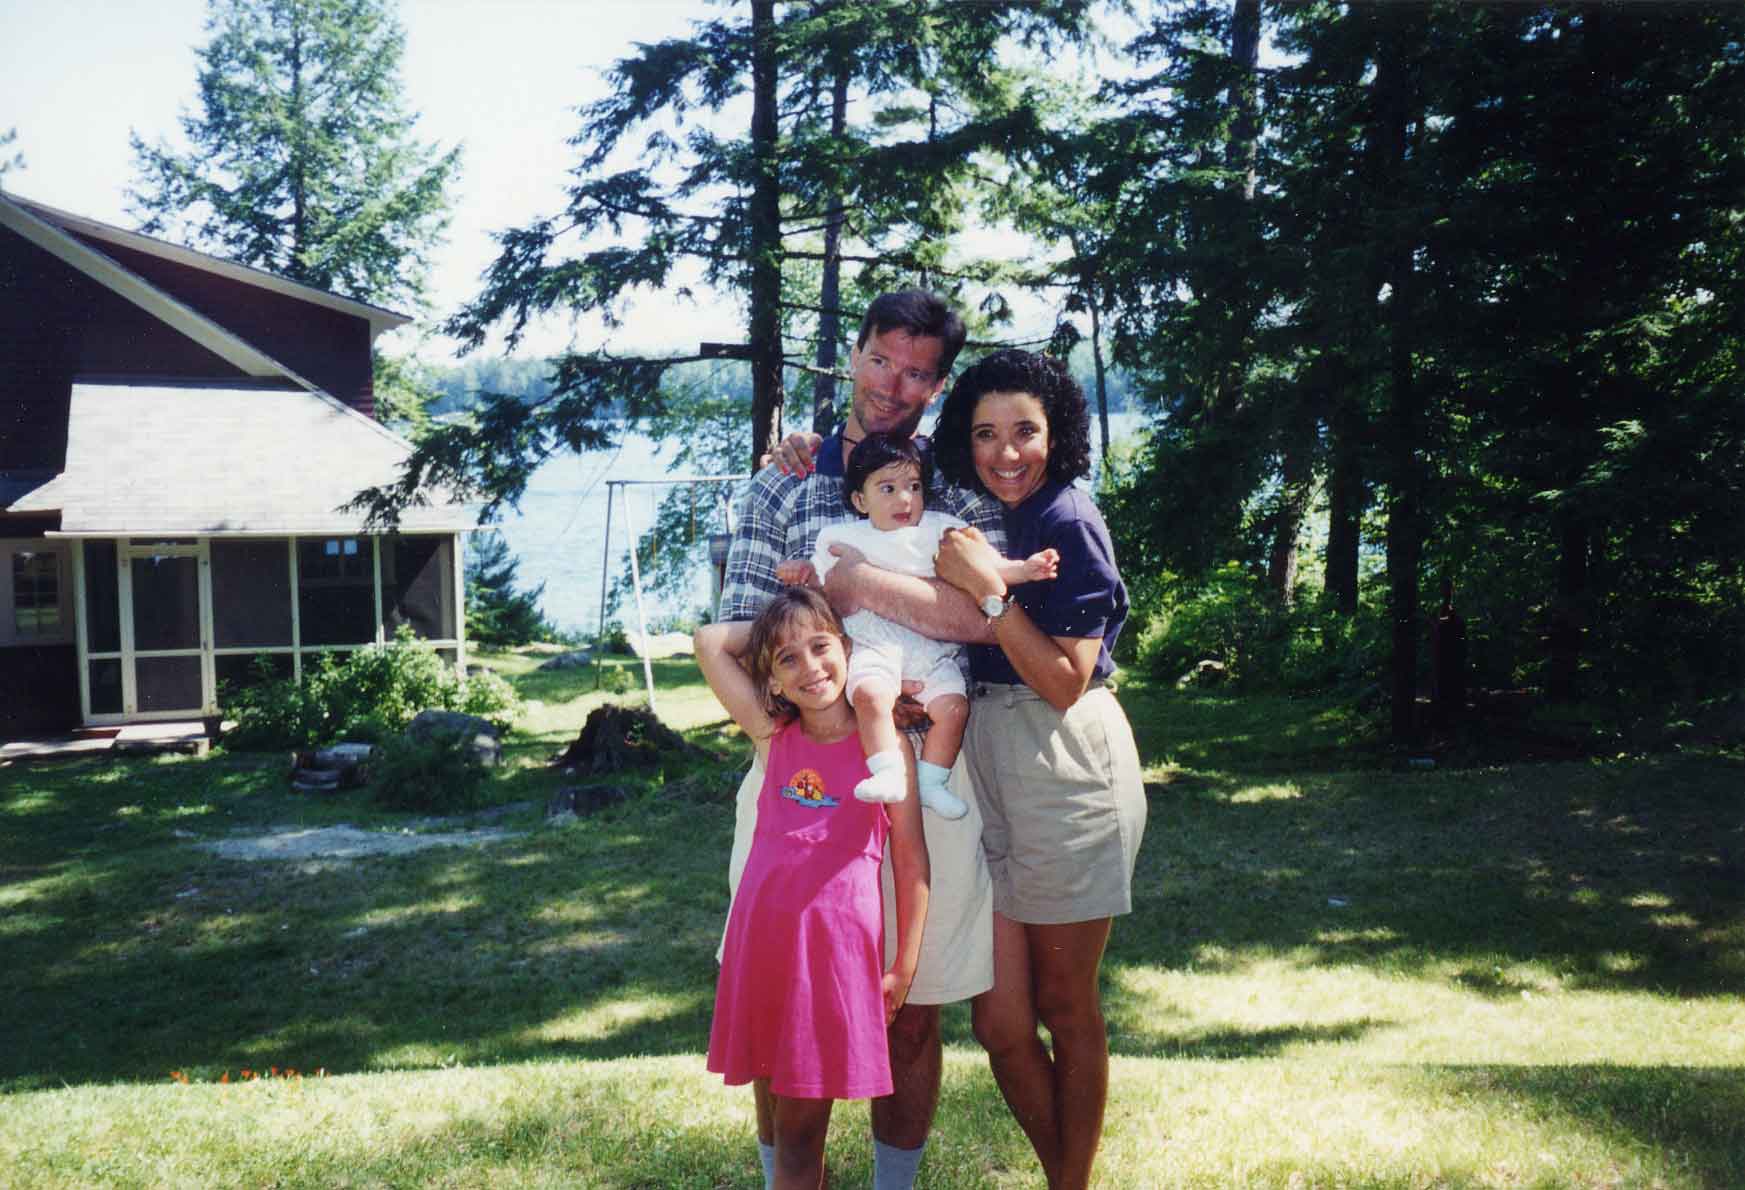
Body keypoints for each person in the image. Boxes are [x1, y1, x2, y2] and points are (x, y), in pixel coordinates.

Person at [718, 289, 1007, 1187]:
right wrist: (797, 727)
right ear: (852, 354)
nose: (892, 385)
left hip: (925, 767)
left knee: (912, 1006)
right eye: (880, 359)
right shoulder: (786, 477)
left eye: (916, 373)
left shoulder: (954, 486)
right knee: (777, 1006)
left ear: (939, 384)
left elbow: (987, 620)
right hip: (797, 776)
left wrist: (855, 587)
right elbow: (742, 632)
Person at [930, 347, 1148, 1190]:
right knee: (999, 1023)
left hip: (1063, 763)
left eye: (1024, 430)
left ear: (1056, 434)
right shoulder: (983, 515)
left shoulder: (1068, 520)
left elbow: (1063, 680)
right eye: (985, 434)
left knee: (1064, 1004)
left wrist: (990, 594)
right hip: (983, 760)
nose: (1005, 452)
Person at [695, 589, 931, 1189]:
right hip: (765, 945)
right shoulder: (773, 736)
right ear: (771, 681)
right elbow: (710, 642)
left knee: (801, 1129)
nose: (810, 667)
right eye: (787, 659)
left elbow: (911, 861)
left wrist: (903, 966)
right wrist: (794, 617)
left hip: (830, 956)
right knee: (783, 1121)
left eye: (821, 647)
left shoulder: (885, 750)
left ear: (847, 649)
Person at [776, 431, 1058, 819]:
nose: (905, 499)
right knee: (870, 696)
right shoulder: (840, 538)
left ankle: (931, 782)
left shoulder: (941, 529)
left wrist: (1024, 569)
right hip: (873, 642)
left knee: (954, 708)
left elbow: (990, 566)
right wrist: (804, 572)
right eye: (888, 489)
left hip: (932, 650)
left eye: (913, 486)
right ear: (860, 500)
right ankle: (886, 770)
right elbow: (821, 591)